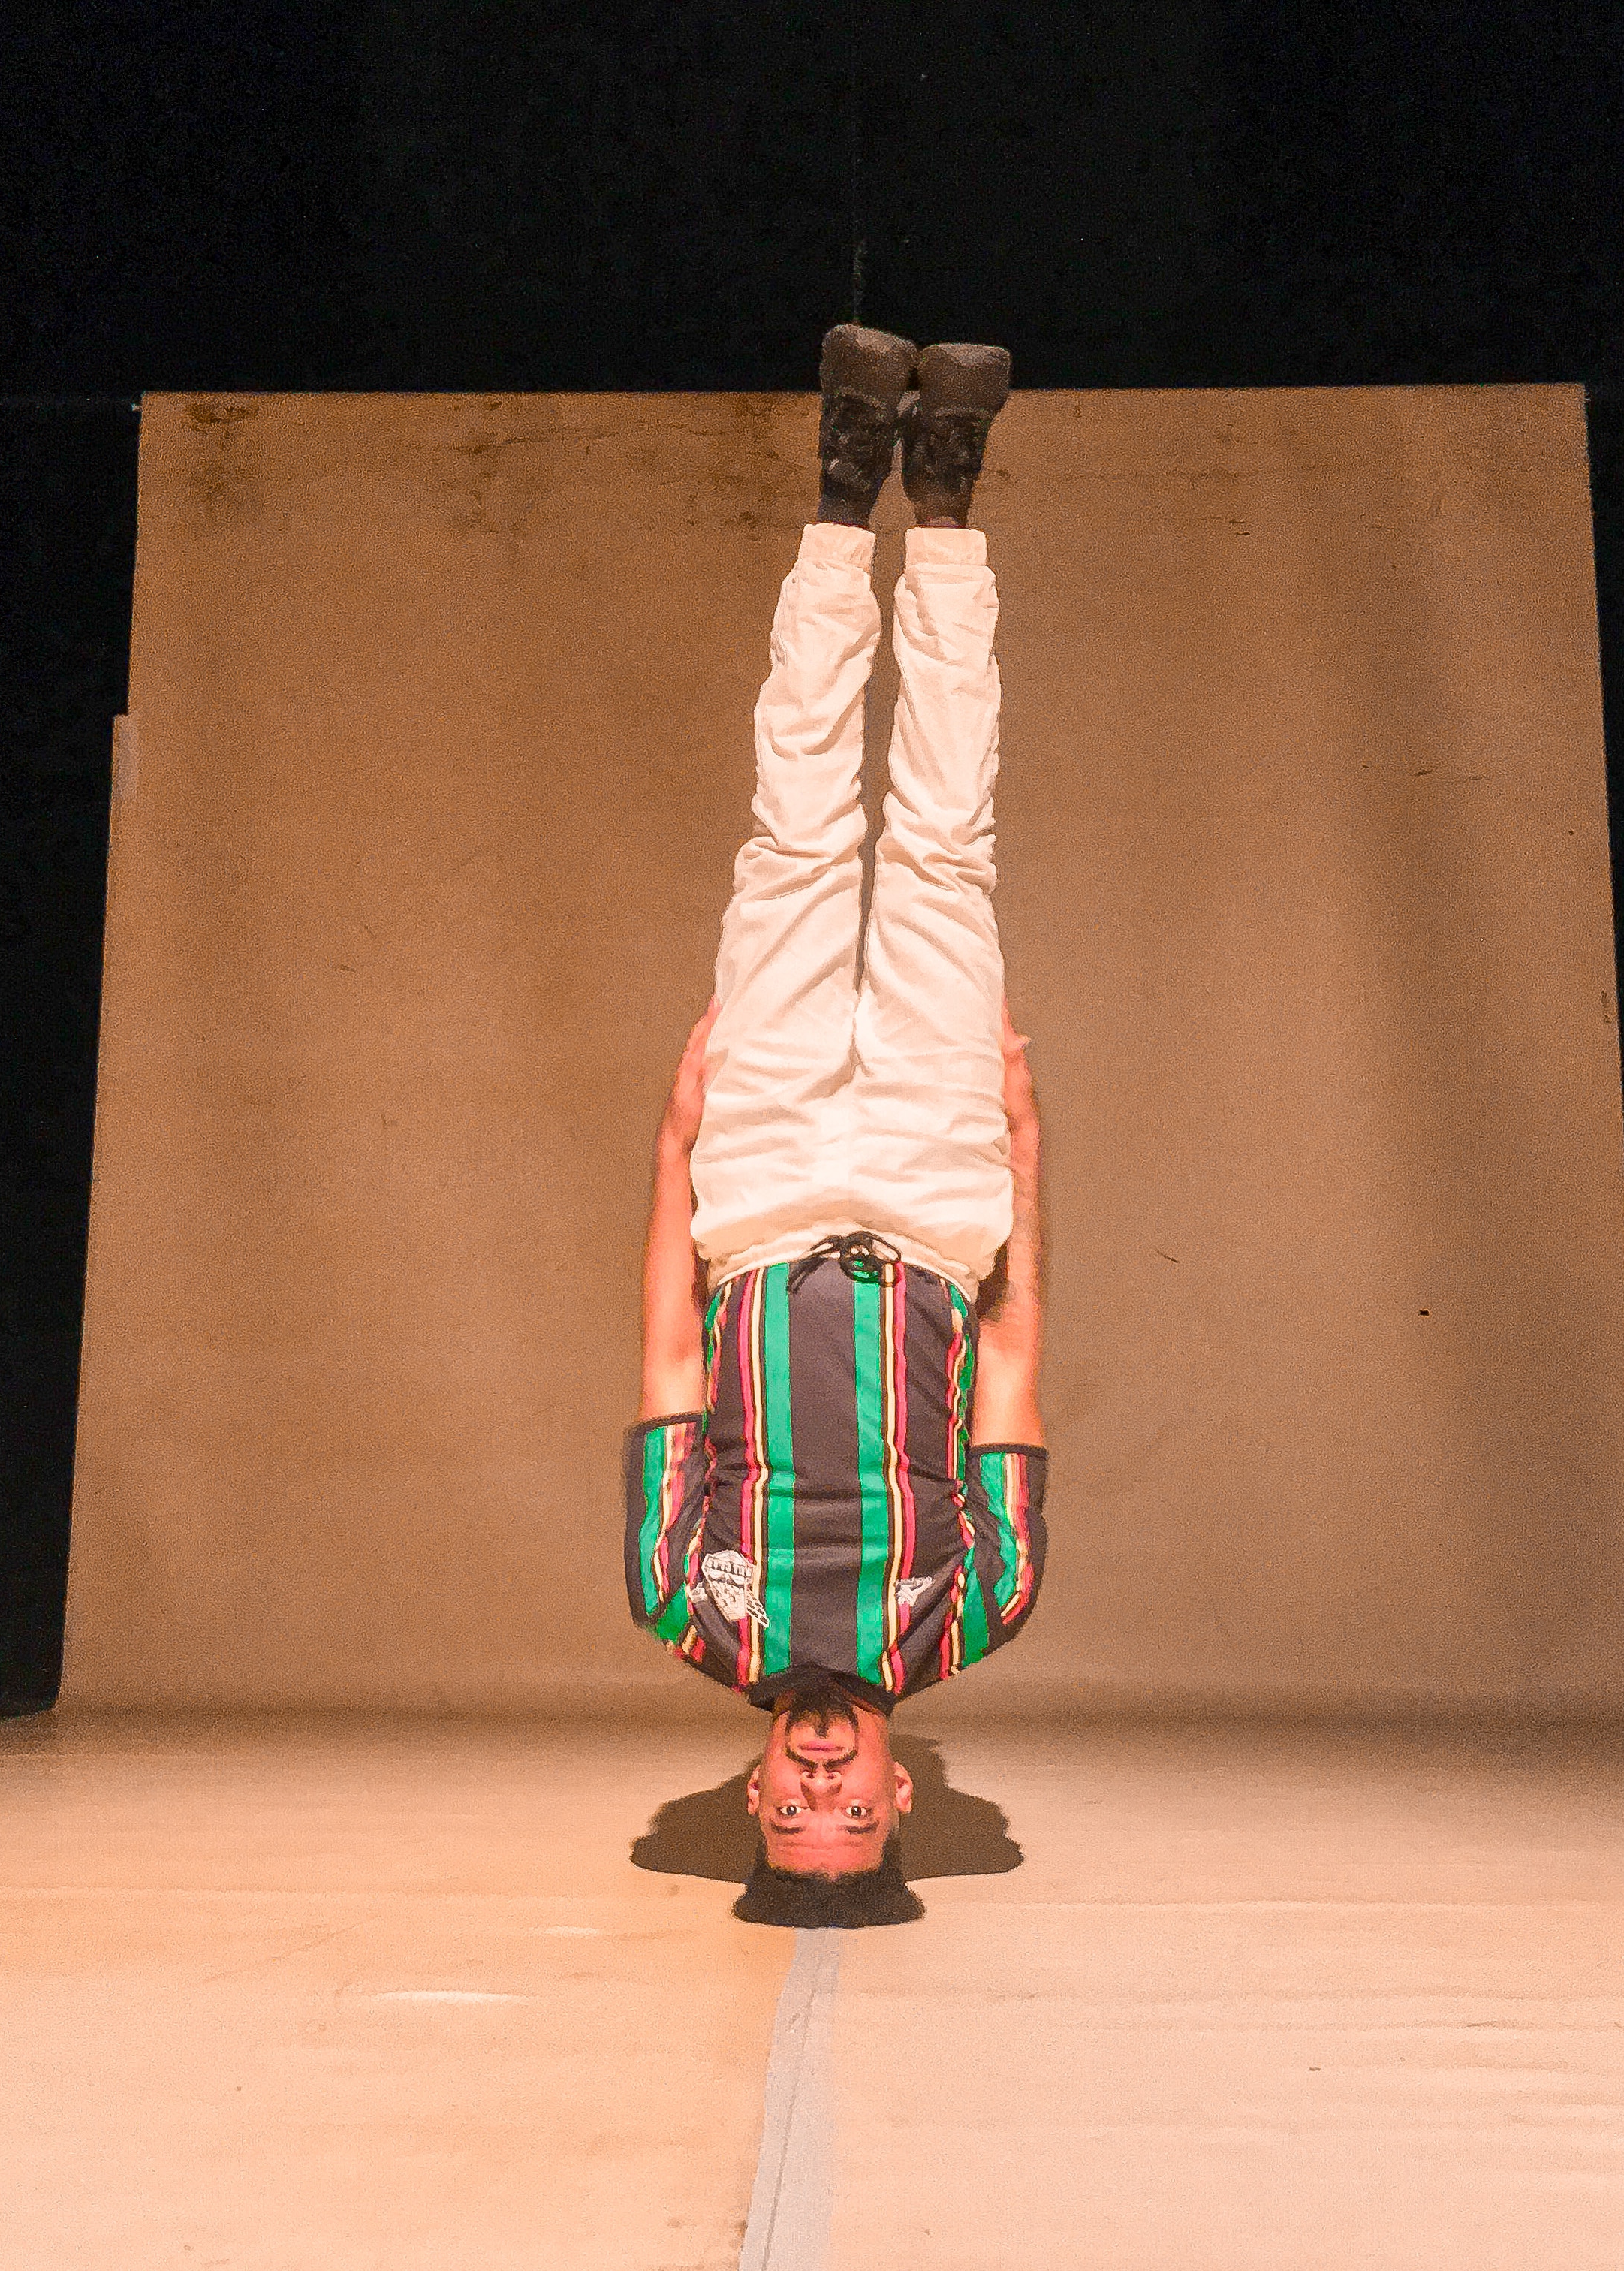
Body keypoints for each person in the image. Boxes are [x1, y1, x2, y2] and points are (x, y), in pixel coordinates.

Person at [624, 325, 1049, 1929]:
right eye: (848, 1813)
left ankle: (840, 489)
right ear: (896, 1795)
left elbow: (669, 1363)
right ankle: (945, 512)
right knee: (945, 850)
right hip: (937, 1198)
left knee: (796, 841)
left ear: (753, 1796)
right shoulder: (978, 1609)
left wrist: (675, 1149)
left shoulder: (684, 1609)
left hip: (762, 1193)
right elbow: (1012, 1360)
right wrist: (1025, 1158)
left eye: (794, 1812)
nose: (818, 1783)